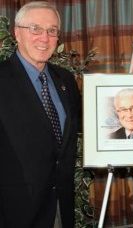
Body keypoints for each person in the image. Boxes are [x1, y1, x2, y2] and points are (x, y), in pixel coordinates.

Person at [0, 2, 80, 228]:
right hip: (14, 214)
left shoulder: (66, 81)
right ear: (17, 33)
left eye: (52, 30)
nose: (44, 38)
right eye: (35, 28)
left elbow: (90, 126)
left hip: (60, 210)